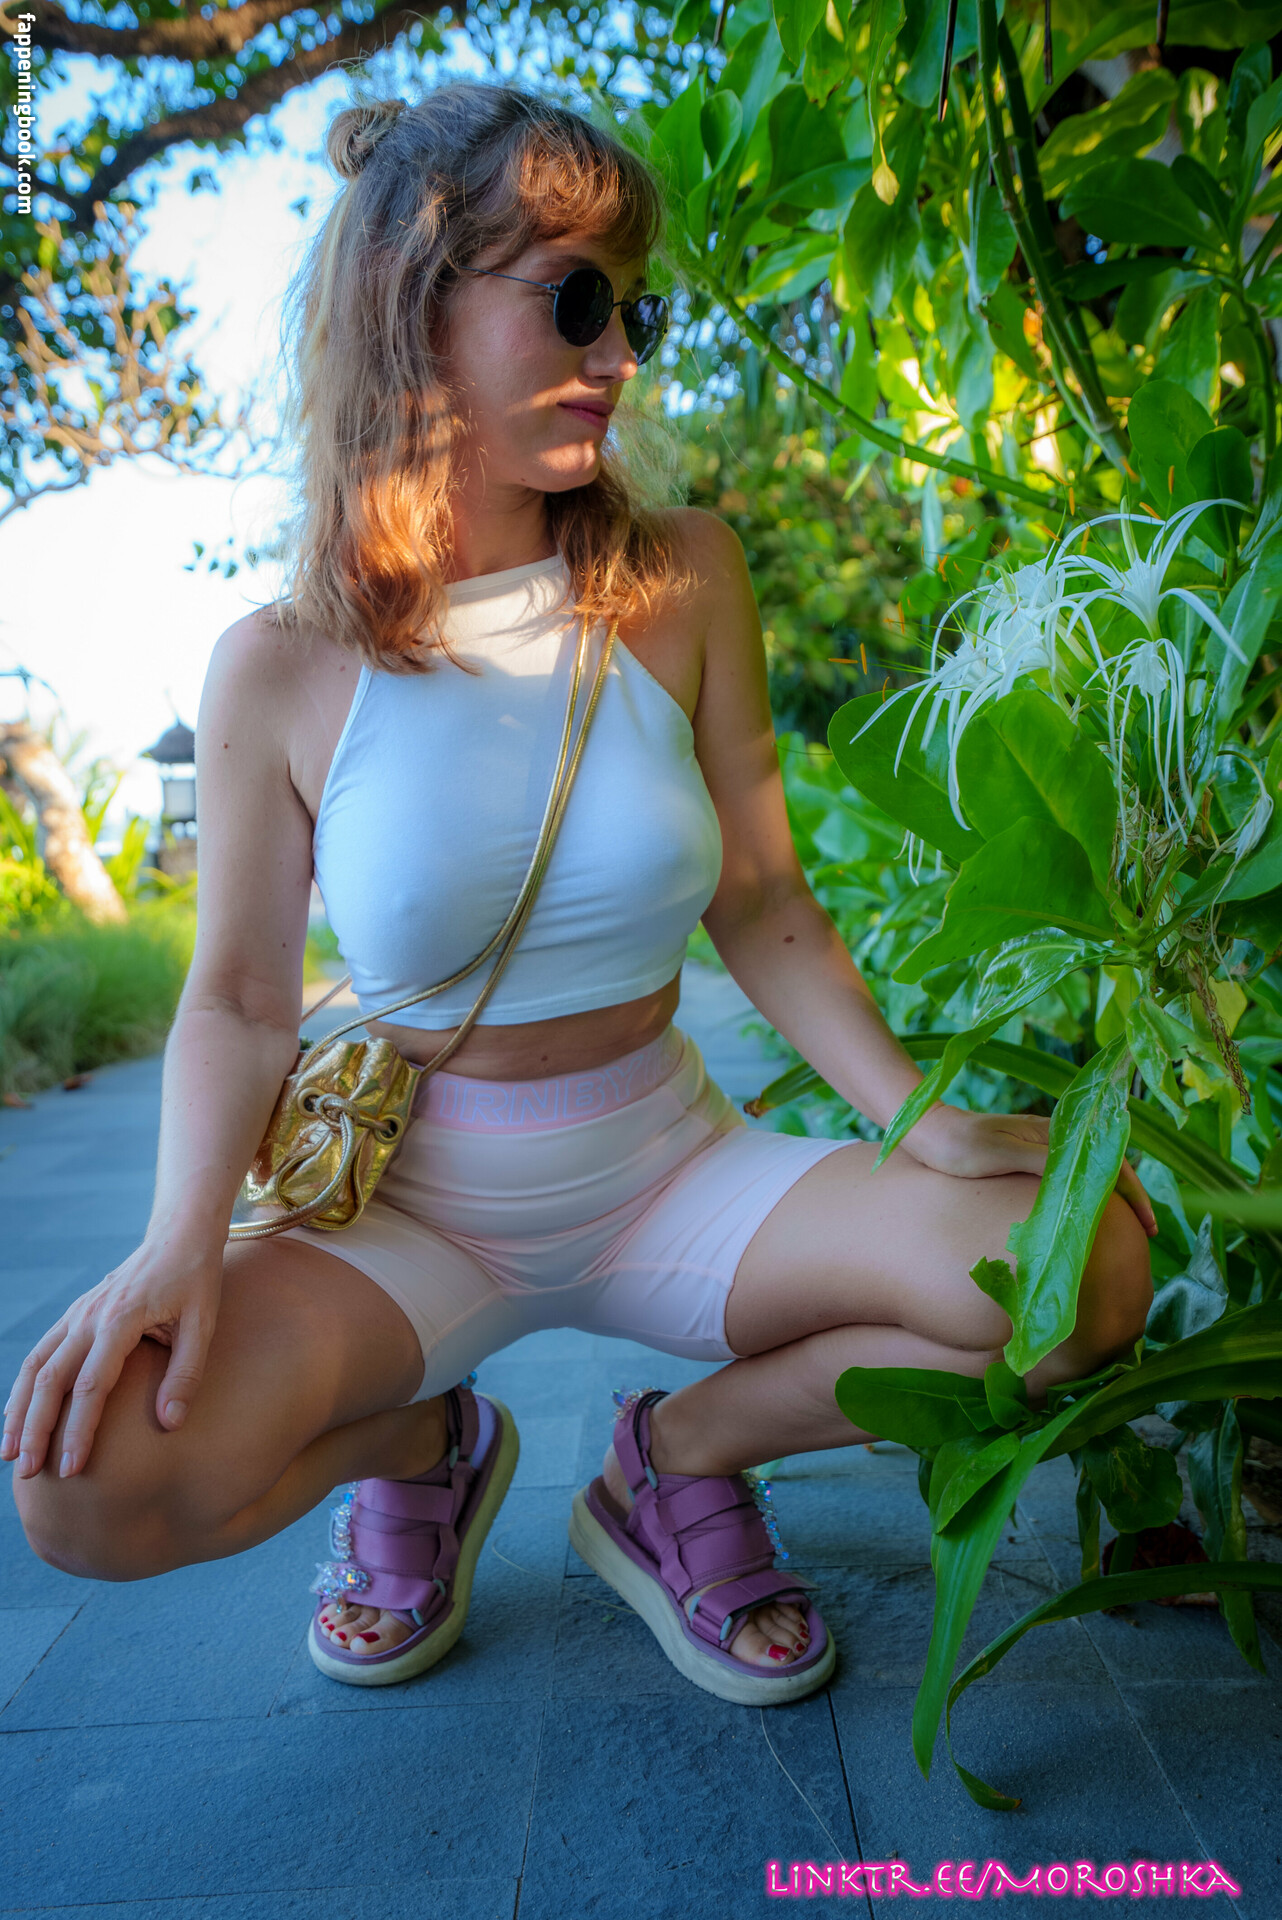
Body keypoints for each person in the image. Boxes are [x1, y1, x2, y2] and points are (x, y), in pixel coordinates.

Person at [3, 82, 1155, 1707]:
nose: (618, 354)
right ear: (412, 303)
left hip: (669, 1167)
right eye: (575, 299)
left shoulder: (682, 577)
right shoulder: (279, 664)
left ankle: (672, 1459)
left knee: (1081, 1270)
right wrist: (175, 1245)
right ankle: (426, 1443)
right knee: (87, 1480)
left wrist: (918, 1119)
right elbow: (244, 999)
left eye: (633, 309)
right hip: (411, 1208)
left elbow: (761, 899)